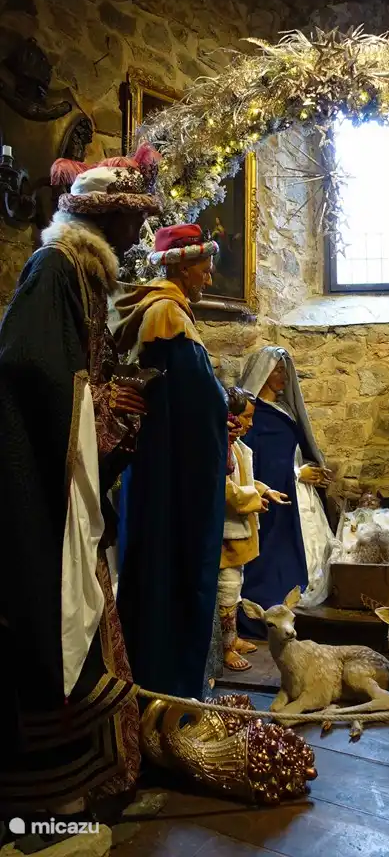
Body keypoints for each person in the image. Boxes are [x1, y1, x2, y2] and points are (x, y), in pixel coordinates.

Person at [0, 148, 160, 818]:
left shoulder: (88, 279)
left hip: (70, 487)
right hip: (37, 488)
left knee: (91, 621)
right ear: (103, 218)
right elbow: (22, 368)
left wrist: (110, 399)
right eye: (131, 222)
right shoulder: (54, 269)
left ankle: (101, 781)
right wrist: (93, 404)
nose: (139, 234)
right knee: (53, 623)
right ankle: (57, 793)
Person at [113, 224, 228, 698]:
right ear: (182, 265)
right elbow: (196, 401)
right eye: (204, 265)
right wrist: (226, 411)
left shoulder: (168, 311)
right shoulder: (168, 315)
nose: (209, 274)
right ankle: (168, 689)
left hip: (164, 470)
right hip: (174, 478)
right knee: (172, 571)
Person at [238, 346, 333, 637]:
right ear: (262, 373)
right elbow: (253, 462)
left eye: (284, 369)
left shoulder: (285, 410)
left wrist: (307, 469)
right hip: (271, 495)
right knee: (272, 559)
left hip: (297, 491)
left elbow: (289, 453)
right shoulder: (253, 414)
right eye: (277, 369)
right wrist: (296, 474)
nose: (283, 376)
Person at [216, 386, 290, 673]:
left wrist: (265, 490)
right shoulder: (221, 448)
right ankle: (225, 646)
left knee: (235, 587)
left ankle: (232, 639)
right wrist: (252, 498)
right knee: (226, 588)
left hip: (241, 528)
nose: (249, 424)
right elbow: (224, 488)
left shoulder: (237, 447)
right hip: (227, 530)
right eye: (245, 417)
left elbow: (246, 479)